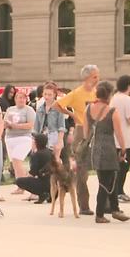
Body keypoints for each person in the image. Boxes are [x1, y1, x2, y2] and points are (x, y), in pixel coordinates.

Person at [54, 64, 100, 216]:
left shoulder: (97, 92)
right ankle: (84, 205)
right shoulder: (76, 93)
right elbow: (57, 105)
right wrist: (72, 115)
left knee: (101, 167)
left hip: (96, 130)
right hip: (81, 131)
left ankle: (105, 203)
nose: (97, 79)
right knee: (82, 171)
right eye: (95, 76)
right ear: (87, 77)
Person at [84, 81, 130, 224]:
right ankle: (100, 214)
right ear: (109, 95)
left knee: (108, 180)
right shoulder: (111, 111)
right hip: (109, 148)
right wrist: (123, 149)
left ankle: (115, 209)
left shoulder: (88, 109)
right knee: (105, 183)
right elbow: (119, 133)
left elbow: (86, 133)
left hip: (95, 148)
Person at [110, 75, 130, 204]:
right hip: (126, 140)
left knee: (116, 168)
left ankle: (116, 192)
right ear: (129, 86)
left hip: (114, 138)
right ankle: (119, 192)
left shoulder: (113, 98)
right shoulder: (128, 100)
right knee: (123, 168)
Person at [4, 90, 36, 196]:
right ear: (15, 99)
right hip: (10, 137)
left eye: (23, 98)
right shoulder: (10, 109)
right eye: (18, 97)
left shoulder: (29, 110)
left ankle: (27, 184)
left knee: (17, 160)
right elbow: (4, 122)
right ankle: (20, 186)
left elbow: (30, 125)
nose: (21, 99)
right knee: (15, 163)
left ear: (26, 99)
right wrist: (7, 125)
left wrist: (16, 126)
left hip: (24, 138)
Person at [15, 133, 53, 204]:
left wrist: (26, 178)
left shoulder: (36, 155)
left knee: (19, 181)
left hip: (44, 184)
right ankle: (51, 195)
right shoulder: (50, 152)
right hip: (53, 183)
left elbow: (33, 173)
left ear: (36, 143)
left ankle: (42, 194)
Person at [34, 82, 66, 160]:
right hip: (42, 137)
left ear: (54, 95)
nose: (47, 97)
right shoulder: (40, 109)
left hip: (54, 136)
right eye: (45, 94)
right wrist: (34, 143)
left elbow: (61, 126)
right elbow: (36, 128)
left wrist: (60, 141)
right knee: (43, 161)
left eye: (49, 94)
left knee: (55, 160)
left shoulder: (58, 108)